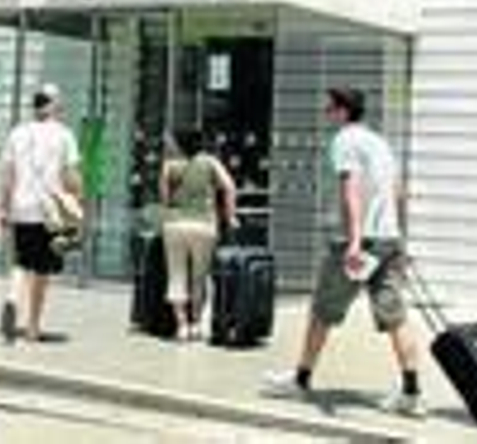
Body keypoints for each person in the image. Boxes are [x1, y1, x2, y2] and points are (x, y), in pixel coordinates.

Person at [263, 86, 425, 419]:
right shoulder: (379, 143)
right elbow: (398, 192)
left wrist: (352, 242)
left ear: (342, 111)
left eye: (330, 107)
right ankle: (411, 394)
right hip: (387, 240)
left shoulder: (344, 141)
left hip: (358, 241)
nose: (326, 113)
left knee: (322, 310)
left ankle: (301, 379)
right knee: (396, 317)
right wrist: (400, 241)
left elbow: (350, 191)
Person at [0, 82, 81, 343]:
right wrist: (79, 200)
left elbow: (9, 176)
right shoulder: (64, 134)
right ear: (54, 105)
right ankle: (33, 326)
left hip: (21, 207)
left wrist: (5, 207)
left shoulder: (17, 133)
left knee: (22, 261)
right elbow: (71, 174)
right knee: (42, 270)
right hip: (49, 210)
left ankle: (12, 297)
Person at [159, 128, 237, 341]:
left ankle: (181, 326)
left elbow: (164, 199)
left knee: (176, 275)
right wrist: (230, 216)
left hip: (175, 225)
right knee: (199, 277)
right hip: (204, 226)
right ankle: (196, 323)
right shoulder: (210, 162)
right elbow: (229, 186)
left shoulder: (170, 165)